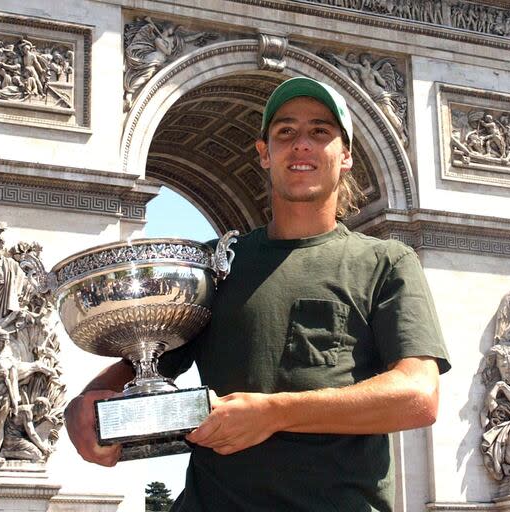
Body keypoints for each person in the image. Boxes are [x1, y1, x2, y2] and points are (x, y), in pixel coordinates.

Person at [65, 76, 450, 511]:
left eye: (320, 132)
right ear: (264, 154)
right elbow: (141, 364)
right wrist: (82, 410)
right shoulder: (215, 266)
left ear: (345, 156)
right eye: (285, 132)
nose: (301, 144)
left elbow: (418, 396)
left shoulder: (388, 262)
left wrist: (273, 413)